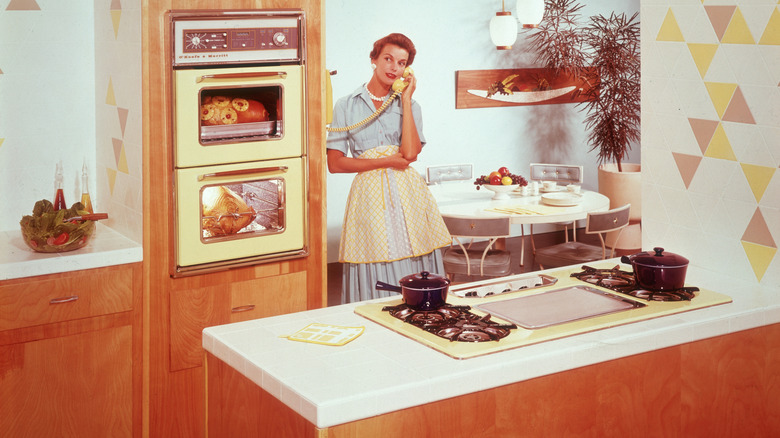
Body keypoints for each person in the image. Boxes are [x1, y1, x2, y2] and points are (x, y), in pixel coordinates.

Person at [326, 33, 452, 303]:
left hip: (408, 194)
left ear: (407, 70)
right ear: (374, 59)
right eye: (388, 59)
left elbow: (409, 154)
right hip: (369, 194)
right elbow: (335, 164)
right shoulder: (346, 105)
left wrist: (405, 100)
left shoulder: (412, 106)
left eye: (401, 62)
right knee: (373, 253)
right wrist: (386, 161)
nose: (394, 67)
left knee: (415, 251)